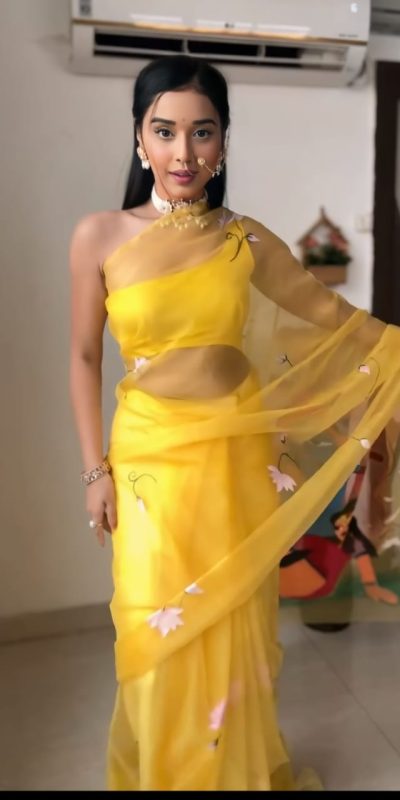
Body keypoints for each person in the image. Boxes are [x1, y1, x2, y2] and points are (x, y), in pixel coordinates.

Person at [69, 54, 400, 791]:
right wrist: (94, 471)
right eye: (165, 130)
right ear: (139, 137)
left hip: (235, 458)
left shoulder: (244, 241)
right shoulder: (100, 236)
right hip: (149, 463)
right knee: (156, 628)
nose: (183, 152)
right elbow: (84, 356)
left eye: (203, 131)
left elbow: (339, 322)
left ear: (223, 141)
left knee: (233, 626)